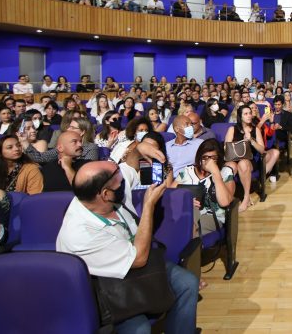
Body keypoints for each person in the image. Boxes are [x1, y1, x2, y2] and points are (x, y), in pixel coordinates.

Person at [56, 161, 198, 333]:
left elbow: (131, 162)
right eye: (120, 181)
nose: (124, 181)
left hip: (135, 265)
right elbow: (139, 259)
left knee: (187, 283)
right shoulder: (80, 234)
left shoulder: (104, 195)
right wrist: (148, 206)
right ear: (105, 194)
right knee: (139, 329)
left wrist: (141, 149)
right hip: (109, 287)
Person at [169, 138, 235, 238]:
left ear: (219, 158)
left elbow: (224, 202)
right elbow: (170, 195)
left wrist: (216, 173)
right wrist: (186, 201)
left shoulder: (225, 172)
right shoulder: (187, 171)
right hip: (185, 213)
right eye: (205, 158)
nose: (208, 162)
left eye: (213, 158)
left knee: (188, 227)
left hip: (211, 217)